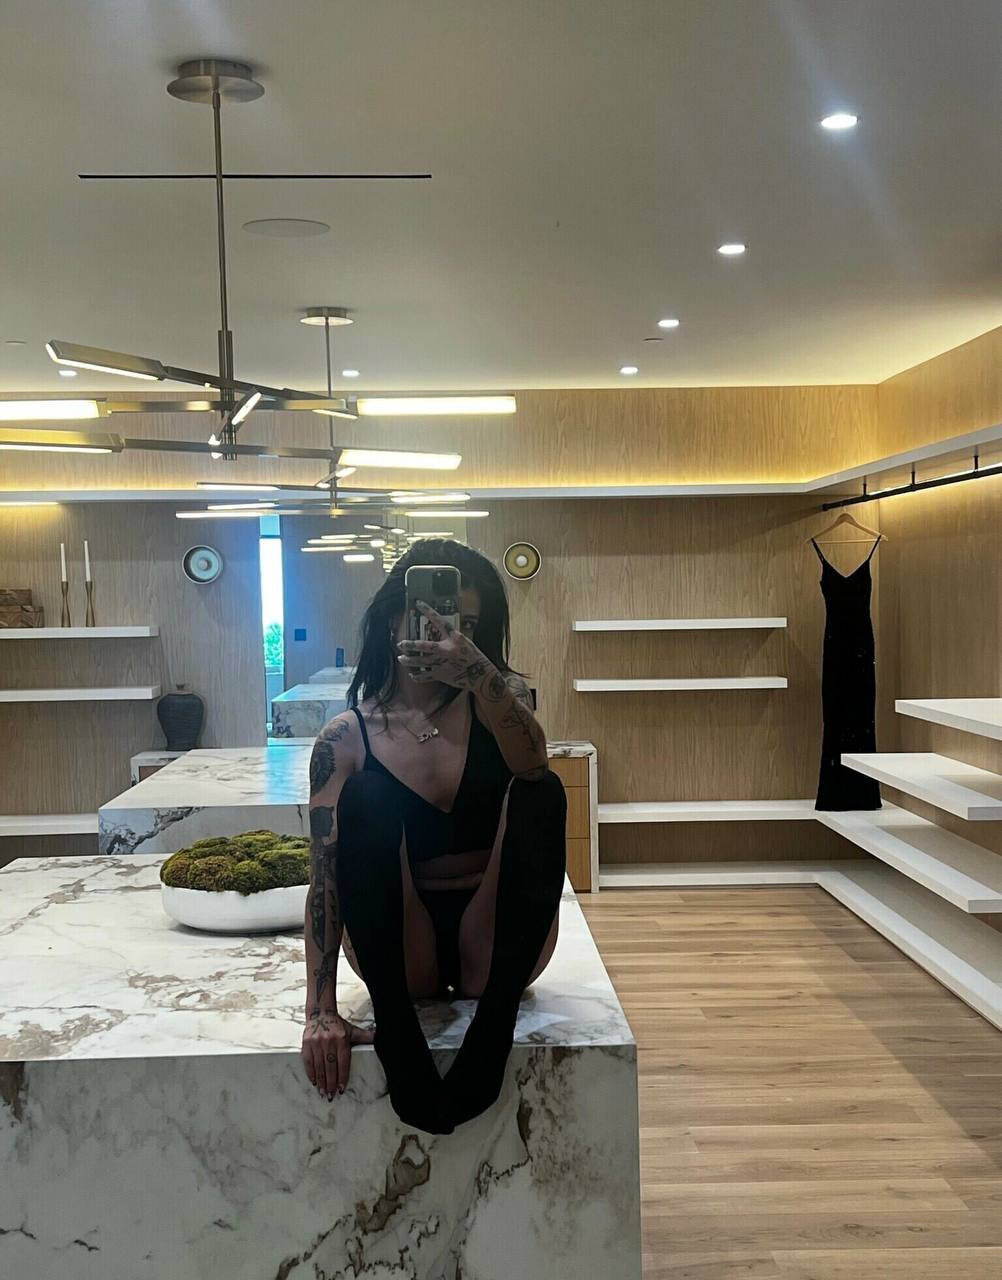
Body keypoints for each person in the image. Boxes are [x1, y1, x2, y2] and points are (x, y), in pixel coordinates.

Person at [300, 539, 567, 1133]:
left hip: (496, 943)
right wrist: (320, 1008)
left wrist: (479, 674)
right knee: (364, 798)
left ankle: (493, 1031)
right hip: (401, 945)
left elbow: (534, 762)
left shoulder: (501, 705)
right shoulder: (345, 738)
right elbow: (325, 877)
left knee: (542, 790)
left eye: (467, 627)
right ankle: (398, 1033)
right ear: (394, 619)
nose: (448, 637)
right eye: (436, 620)